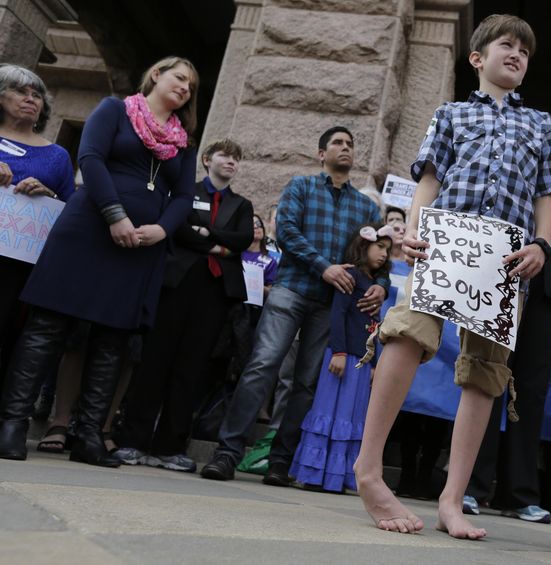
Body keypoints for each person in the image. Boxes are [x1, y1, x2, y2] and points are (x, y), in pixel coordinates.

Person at [353, 13, 551, 539]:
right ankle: (368, 471)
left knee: (486, 371)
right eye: (506, 45)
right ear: (477, 57)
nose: (517, 54)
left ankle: (455, 497)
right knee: (406, 334)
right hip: (444, 243)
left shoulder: (541, 123)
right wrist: (411, 231)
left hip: (505, 257)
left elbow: (548, 194)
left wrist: (542, 243)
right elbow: (429, 177)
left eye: (525, 50)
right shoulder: (449, 113)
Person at [0, 56, 198, 466]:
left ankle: (89, 435)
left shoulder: (183, 141)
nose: (186, 88)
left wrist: (161, 230)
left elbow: (181, 197)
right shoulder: (114, 110)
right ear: (156, 74)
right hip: (89, 229)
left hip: (140, 247)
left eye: (192, 86)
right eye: (180, 78)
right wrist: (115, 216)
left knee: (113, 340)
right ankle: (12, 425)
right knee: (48, 327)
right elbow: (89, 159)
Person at [199, 126, 387, 485]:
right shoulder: (301, 187)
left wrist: (379, 285)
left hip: (332, 304)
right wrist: (325, 267)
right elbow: (286, 232)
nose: (345, 148)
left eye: (350, 144)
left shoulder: (365, 207)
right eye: (338, 143)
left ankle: (281, 463)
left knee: (307, 383)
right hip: (290, 289)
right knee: (263, 365)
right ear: (321, 154)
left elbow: (377, 255)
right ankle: (227, 454)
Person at [113, 138, 253, 472]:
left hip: (215, 290)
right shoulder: (186, 192)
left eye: (237, 158)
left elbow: (243, 239)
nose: (231, 162)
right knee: (155, 360)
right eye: (225, 155)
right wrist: (219, 243)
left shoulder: (242, 204)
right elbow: (180, 231)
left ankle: (170, 447)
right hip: (178, 283)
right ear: (207, 159)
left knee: (192, 366)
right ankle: (132, 440)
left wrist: (207, 236)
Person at [462, 193, 551, 523]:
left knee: (530, 395)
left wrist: (541, 219)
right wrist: (547, 226)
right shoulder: (510, 184)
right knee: (487, 382)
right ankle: (470, 487)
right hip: (502, 283)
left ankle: (520, 495)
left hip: (545, 295)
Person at [290, 223, 392, 491]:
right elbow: (338, 315)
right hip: (342, 357)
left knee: (353, 415)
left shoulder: (375, 286)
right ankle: (315, 475)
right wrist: (338, 351)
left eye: (387, 250)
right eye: (379, 247)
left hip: (362, 361)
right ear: (364, 246)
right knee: (330, 411)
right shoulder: (352, 276)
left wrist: (373, 362)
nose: (384, 254)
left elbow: (375, 327)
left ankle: (341, 476)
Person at [0, 64, 76, 388]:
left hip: (16, 269)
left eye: (37, 95)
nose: (31, 99)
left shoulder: (58, 156)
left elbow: (71, 211)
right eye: (20, 91)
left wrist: (50, 194)